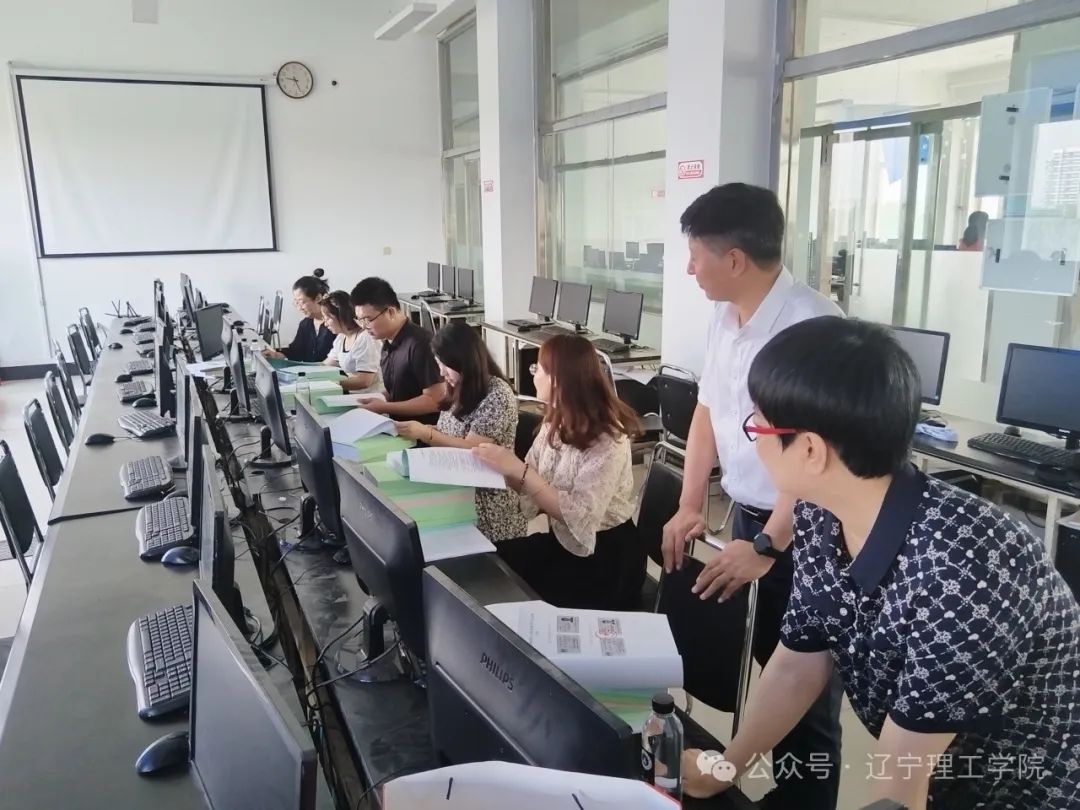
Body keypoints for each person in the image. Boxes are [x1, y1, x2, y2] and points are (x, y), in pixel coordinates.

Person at [683, 316, 1080, 809]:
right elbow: (798, 663)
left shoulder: (965, 571)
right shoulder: (819, 512)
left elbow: (900, 776)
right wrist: (722, 770)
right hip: (942, 777)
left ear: (811, 450)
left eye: (758, 426)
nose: (754, 440)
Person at [660, 182, 844, 810]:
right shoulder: (724, 315)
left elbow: (819, 455)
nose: (690, 269)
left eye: (696, 256)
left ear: (734, 258)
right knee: (769, 661)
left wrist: (769, 544)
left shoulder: (813, 326)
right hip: (748, 514)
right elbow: (707, 412)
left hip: (811, 530)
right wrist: (690, 503)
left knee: (806, 690)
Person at [473, 335, 643, 610]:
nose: (533, 375)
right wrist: (493, 466)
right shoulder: (557, 419)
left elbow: (579, 514)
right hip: (563, 542)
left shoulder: (609, 438)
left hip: (603, 557)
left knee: (511, 593)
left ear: (559, 380)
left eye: (538, 368)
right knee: (488, 562)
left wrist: (517, 469)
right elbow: (528, 476)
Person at [395, 322, 525, 543]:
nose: (441, 373)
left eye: (446, 366)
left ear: (464, 361)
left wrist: (427, 434)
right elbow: (451, 432)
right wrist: (425, 430)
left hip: (485, 504)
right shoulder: (457, 386)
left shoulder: (497, 395)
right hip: (454, 489)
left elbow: (472, 449)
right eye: (439, 364)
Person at [349, 277, 445, 422]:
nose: (363, 326)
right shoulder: (388, 342)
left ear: (391, 312)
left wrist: (384, 407)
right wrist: (377, 399)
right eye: (360, 320)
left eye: (368, 320)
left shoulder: (421, 344)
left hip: (423, 430)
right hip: (398, 426)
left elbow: (435, 401)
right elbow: (397, 391)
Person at [318, 290, 383, 394]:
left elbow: (364, 381)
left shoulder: (366, 338)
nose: (325, 324)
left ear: (341, 316)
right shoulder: (341, 338)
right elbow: (325, 365)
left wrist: (330, 383)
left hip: (370, 398)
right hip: (351, 395)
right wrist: (303, 373)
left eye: (328, 318)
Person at [262, 275, 334, 362]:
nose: (299, 308)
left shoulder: (335, 325)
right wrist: (275, 355)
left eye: (302, 302)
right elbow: (296, 352)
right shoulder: (305, 324)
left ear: (318, 298)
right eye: (296, 303)